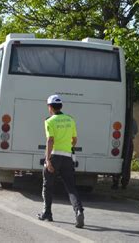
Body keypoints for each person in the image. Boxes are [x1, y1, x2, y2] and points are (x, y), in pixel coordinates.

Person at [38, 94, 84, 228]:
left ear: (50, 107)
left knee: (48, 185)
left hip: (54, 156)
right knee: (71, 187)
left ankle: (47, 213)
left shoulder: (49, 121)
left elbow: (50, 140)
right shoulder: (70, 120)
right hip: (67, 157)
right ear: (61, 106)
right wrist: (68, 148)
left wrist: (47, 160)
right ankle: (79, 210)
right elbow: (74, 140)